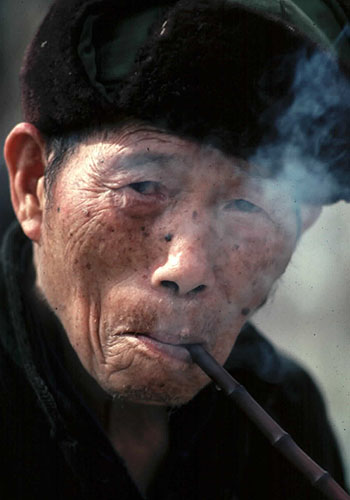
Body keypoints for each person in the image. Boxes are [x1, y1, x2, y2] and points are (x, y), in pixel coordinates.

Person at [0, 0, 349, 498]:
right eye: (142, 187)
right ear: (33, 183)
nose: (185, 267)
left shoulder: (283, 415)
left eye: (248, 207)